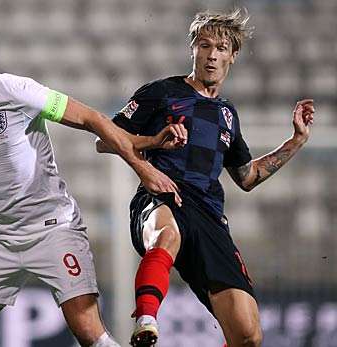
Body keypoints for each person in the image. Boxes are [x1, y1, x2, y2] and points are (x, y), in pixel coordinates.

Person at [0, 17, 187, 347]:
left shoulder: (17, 91)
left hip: (54, 228)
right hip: (3, 236)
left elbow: (91, 119)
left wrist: (142, 167)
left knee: (90, 336)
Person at [96, 8, 316, 347]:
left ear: (233, 55)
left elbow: (247, 176)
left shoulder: (228, 115)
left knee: (248, 335)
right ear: (193, 49)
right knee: (166, 233)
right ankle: (146, 320)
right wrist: (152, 143)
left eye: (221, 48)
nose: (212, 55)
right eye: (204, 45)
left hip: (209, 215)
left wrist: (296, 140)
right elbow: (105, 140)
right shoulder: (161, 92)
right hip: (163, 194)